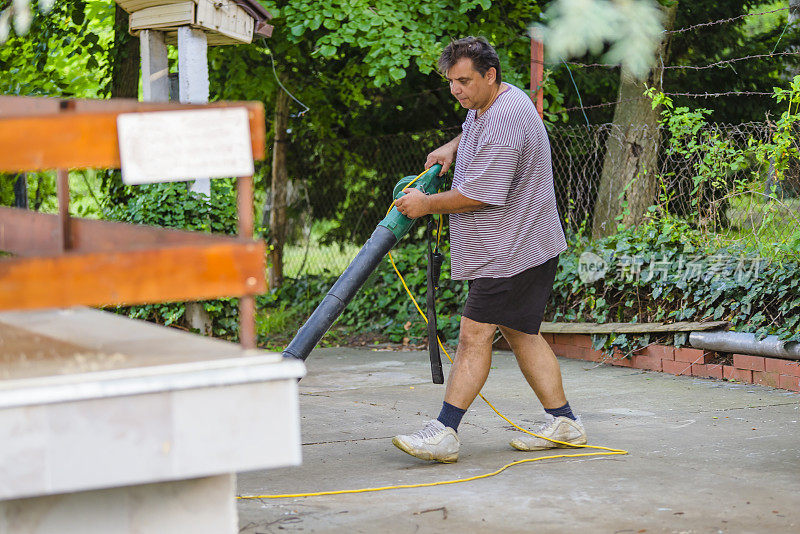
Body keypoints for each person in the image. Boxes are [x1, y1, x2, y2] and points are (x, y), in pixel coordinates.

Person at [391, 36, 586, 463]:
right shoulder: (491, 104)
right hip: (523, 242)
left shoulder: (506, 117)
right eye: (451, 82)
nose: (456, 90)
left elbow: (480, 193)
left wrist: (425, 206)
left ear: (489, 75)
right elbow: (475, 132)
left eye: (464, 80)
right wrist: (452, 146)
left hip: (513, 247)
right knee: (521, 334)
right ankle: (565, 422)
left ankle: (444, 431)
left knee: (473, 334)